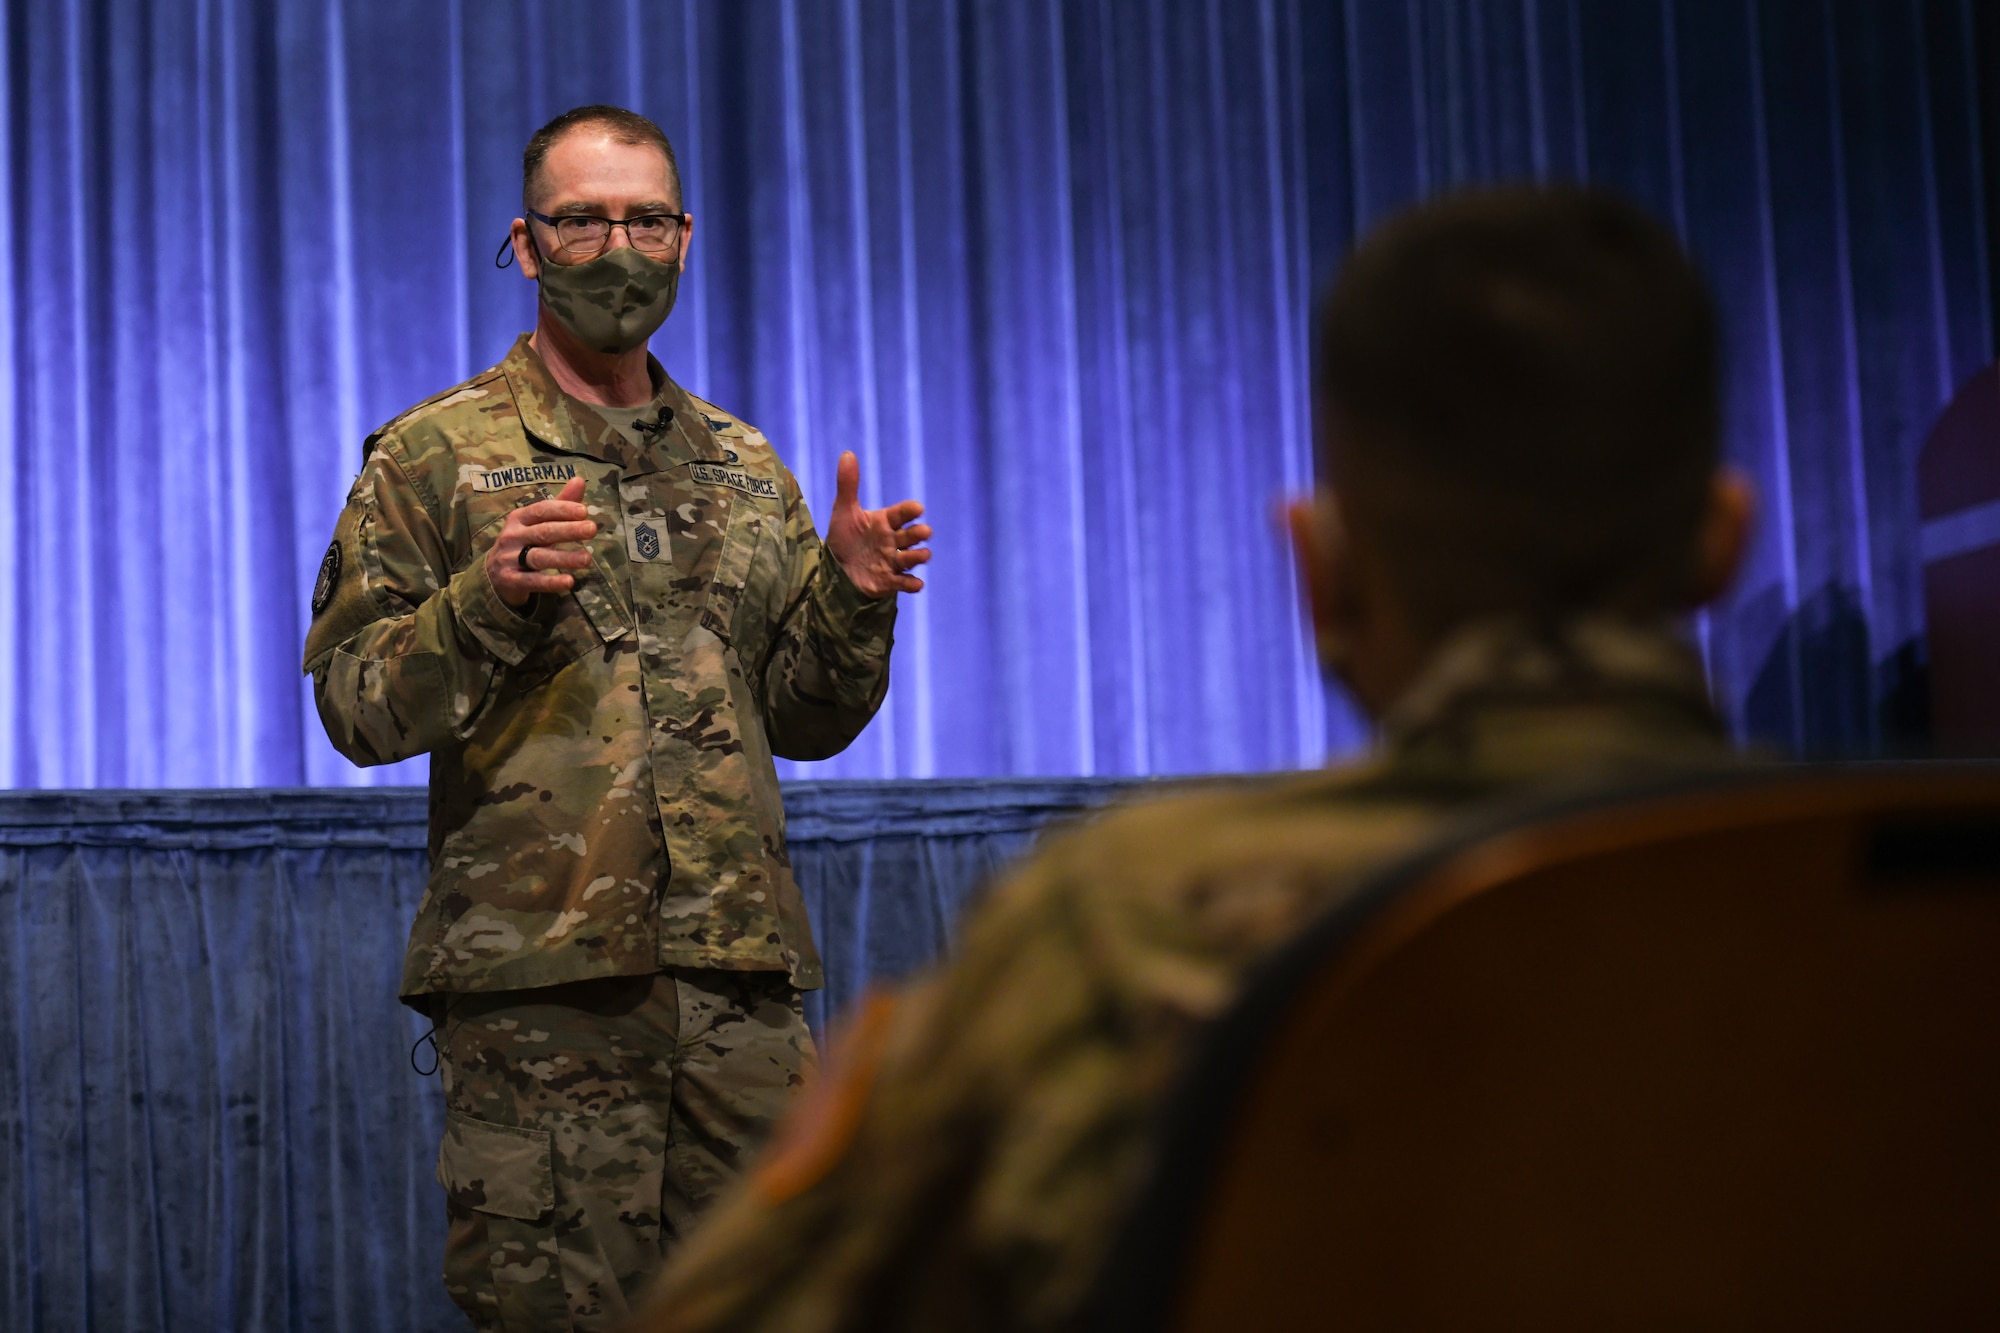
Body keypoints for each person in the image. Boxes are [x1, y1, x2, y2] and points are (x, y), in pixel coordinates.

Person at [630, 184, 1757, 1332]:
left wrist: (835, 1150)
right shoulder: (1920, 898)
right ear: (1725, 542)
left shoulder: (1128, 921)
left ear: (1318, 569)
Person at [301, 105, 930, 1330]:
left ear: (686, 238)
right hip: (543, 997)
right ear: (526, 246)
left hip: (742, 990)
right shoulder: (436, 458)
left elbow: (805, 720)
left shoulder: (746, 467)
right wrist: (482, 603)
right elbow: (355, 706)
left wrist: (854, 604)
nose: (618, 248)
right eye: (581, 221)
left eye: (644, 218)